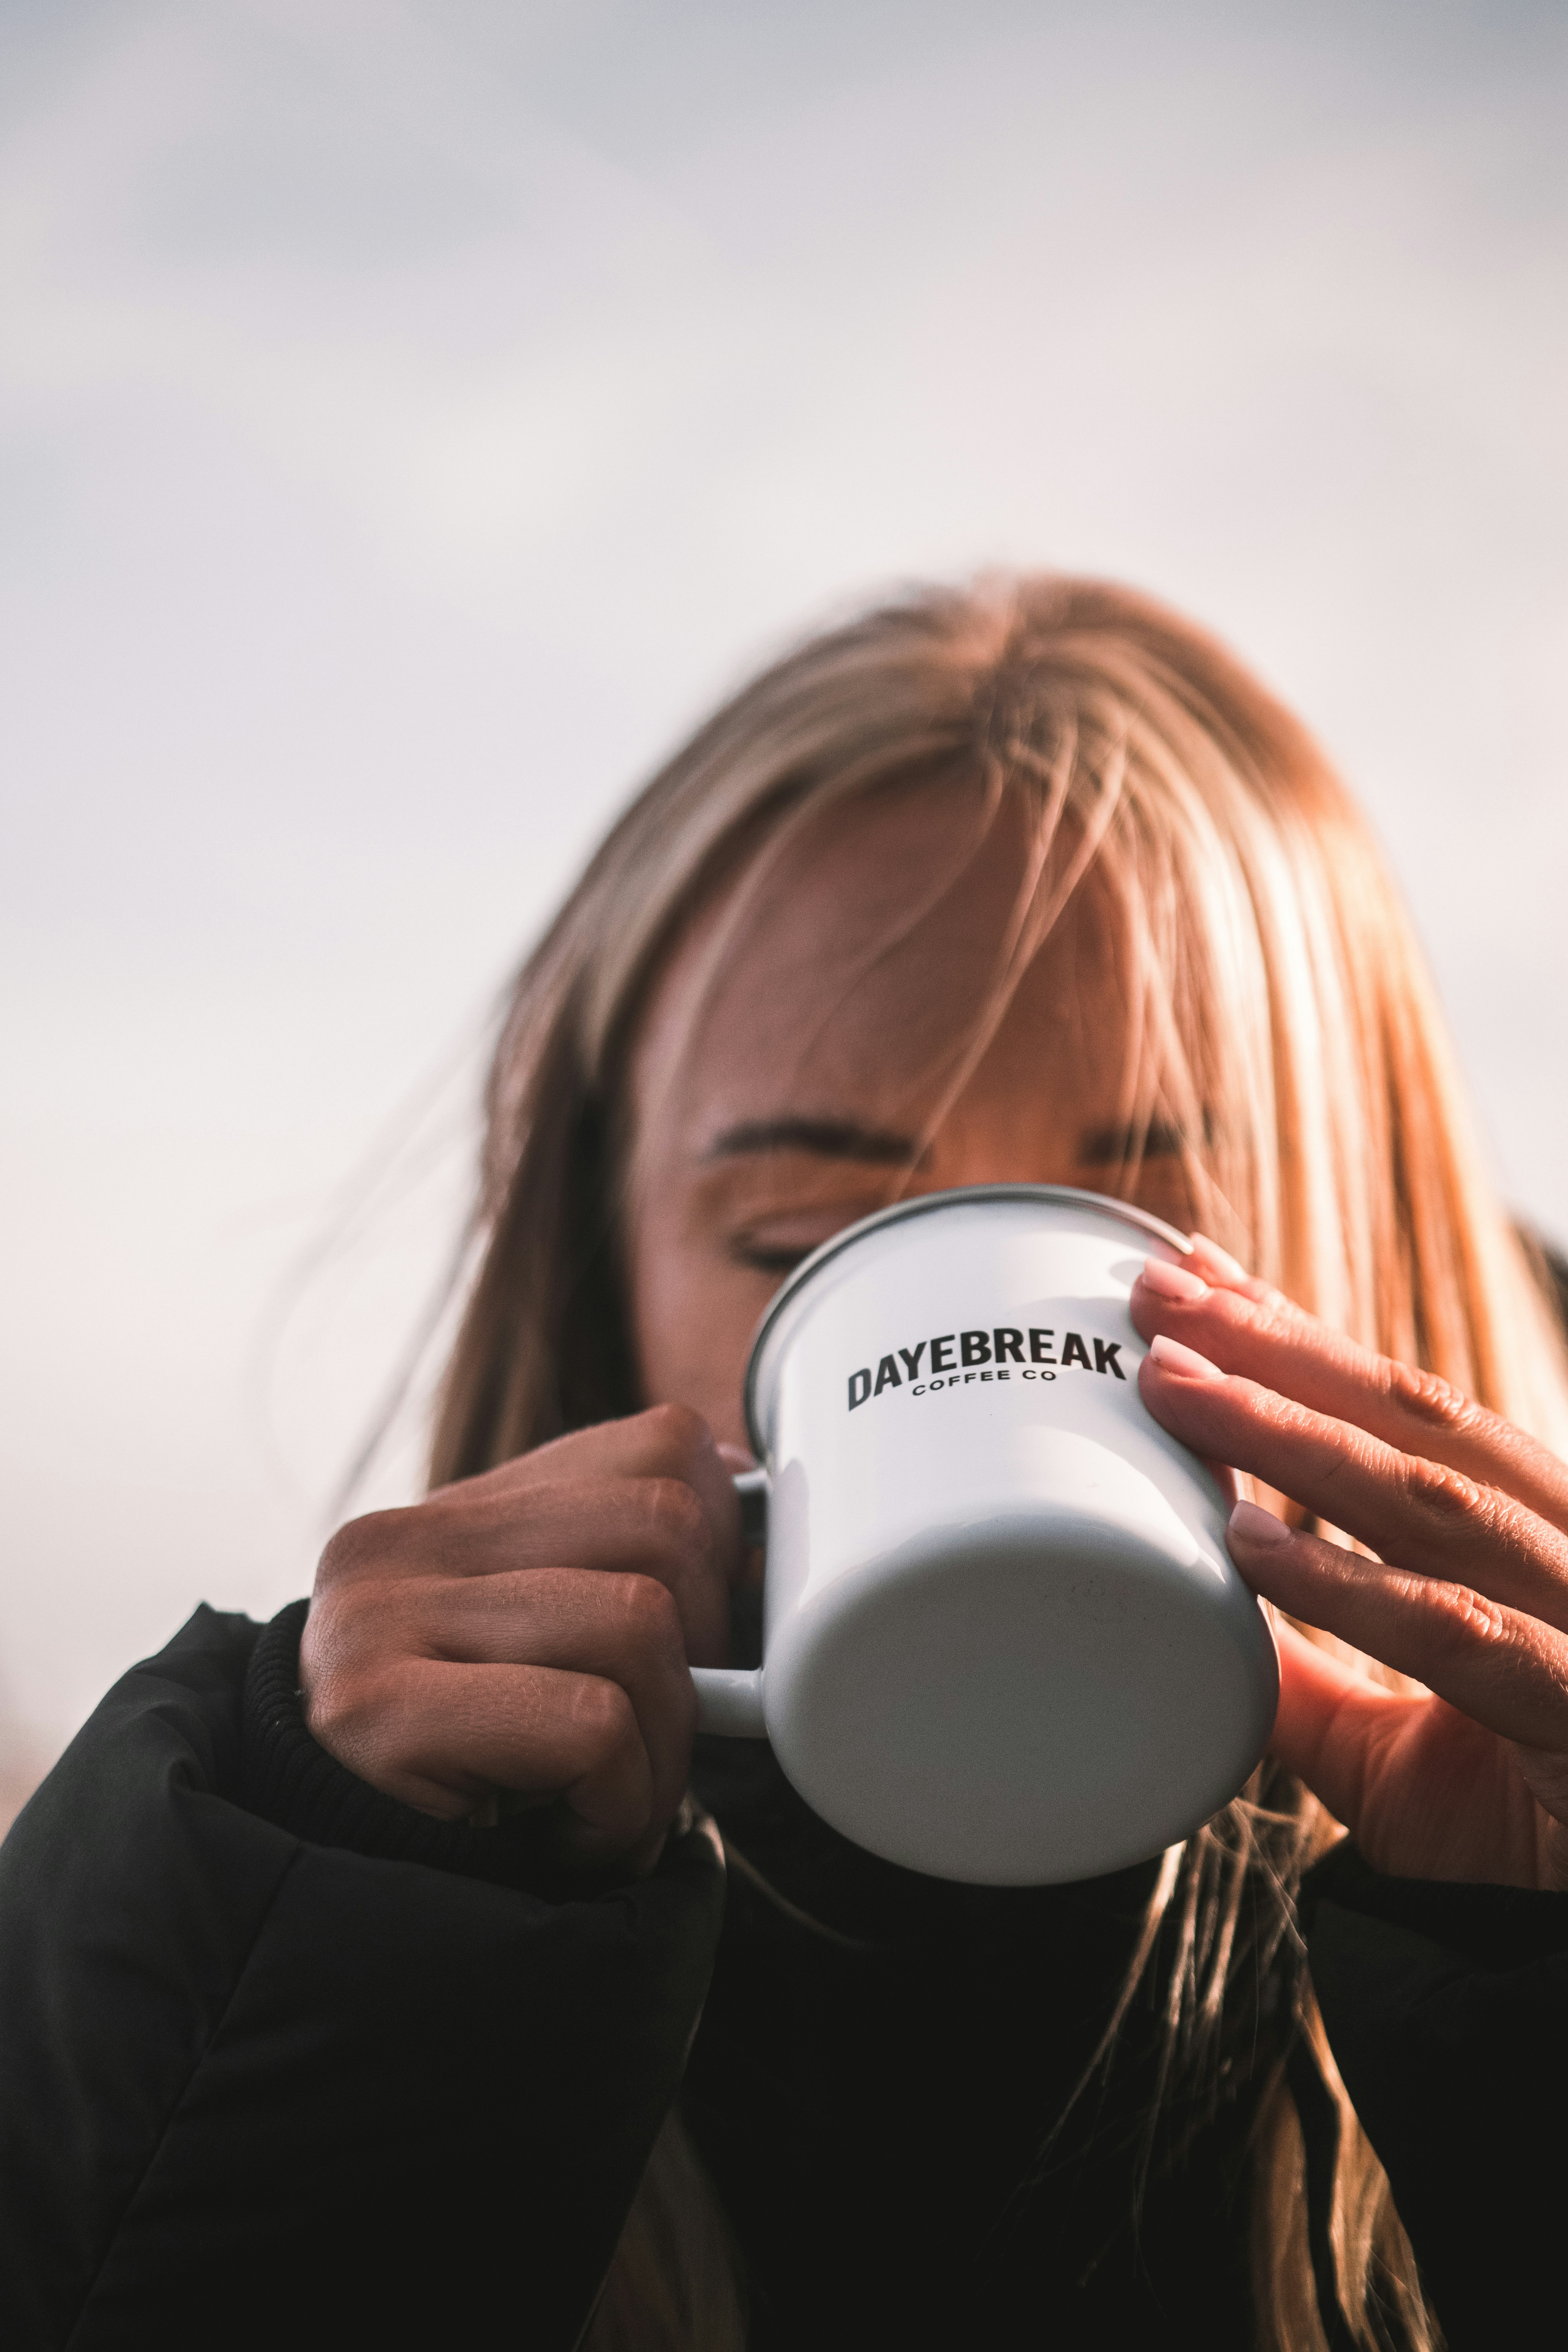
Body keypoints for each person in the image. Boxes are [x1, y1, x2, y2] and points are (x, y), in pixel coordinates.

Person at [4, 575, 1567, 2352]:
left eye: (1152, 1234)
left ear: (1377, 1263)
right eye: (809, 1229)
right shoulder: (324, 1916)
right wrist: (300, 1936)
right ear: (601, 1288)